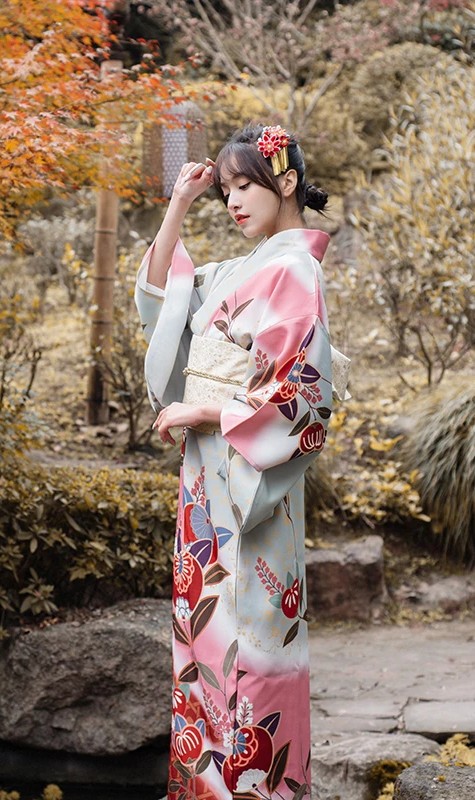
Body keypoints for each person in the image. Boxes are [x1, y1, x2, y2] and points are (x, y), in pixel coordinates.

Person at [135, 123, 349, 800]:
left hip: (251, 478)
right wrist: (178, 204)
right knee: (201, 644)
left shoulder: (294, 268)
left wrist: (205, 411)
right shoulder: (236, 270)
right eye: (224, 190)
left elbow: (304, 393)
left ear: (286, 182)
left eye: (244, 185)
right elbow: (163, 303)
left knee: (252, 648)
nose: (231, 201)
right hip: (207, 479)